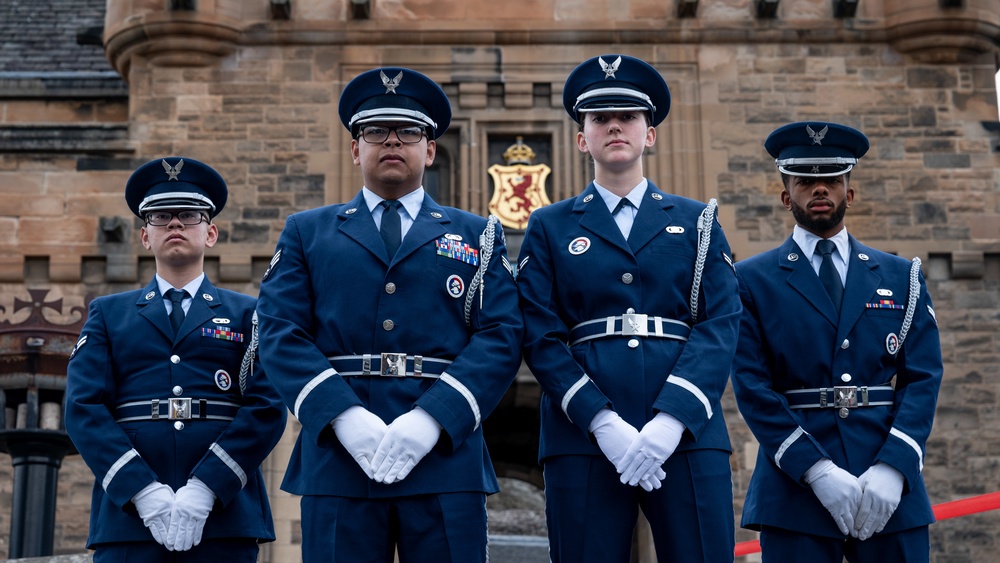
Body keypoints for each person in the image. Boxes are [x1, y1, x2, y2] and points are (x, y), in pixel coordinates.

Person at [254, 66, 523, 563]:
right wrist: (343, 415)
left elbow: (502, 334)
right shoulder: (307, 233)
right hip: (339, 456)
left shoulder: (478, 235)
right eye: (375, 131)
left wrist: (432, 418)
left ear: (430, 149)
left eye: (409, 132)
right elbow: (278, 330)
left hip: (444, 456)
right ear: (356, 149)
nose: (392, 141)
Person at [517, 54, 742, 562]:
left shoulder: (697, 221)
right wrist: (599, 420)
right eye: (599, 118)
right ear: (582, 139)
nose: (614, 125)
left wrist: (673, 419)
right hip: (583, 435)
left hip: (687, 433)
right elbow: (539, 331)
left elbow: (721, 322)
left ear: (650, 134)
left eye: (628, 117)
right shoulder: (549, 226)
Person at [731, 121, 943, 562]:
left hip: (888, 484)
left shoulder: (900, 276)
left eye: (832, 180)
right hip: (795, 490)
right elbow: (752, 387)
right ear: (786, 196)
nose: (820, 189)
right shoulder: (750, 281)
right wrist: (816, 469)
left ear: (851, 191)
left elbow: (923, 377)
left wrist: (894, 466)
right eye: (806, 181)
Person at [64, 157, 288, 562]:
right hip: (129, 521)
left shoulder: (248, 313)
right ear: (145, 237)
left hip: (225, 517)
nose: (175, 224)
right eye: (160, 216)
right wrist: (142, 492)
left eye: (188, 214)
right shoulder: (108, 314)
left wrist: (206, 489)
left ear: (211, 232)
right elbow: (83, 408)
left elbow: (267, 405)